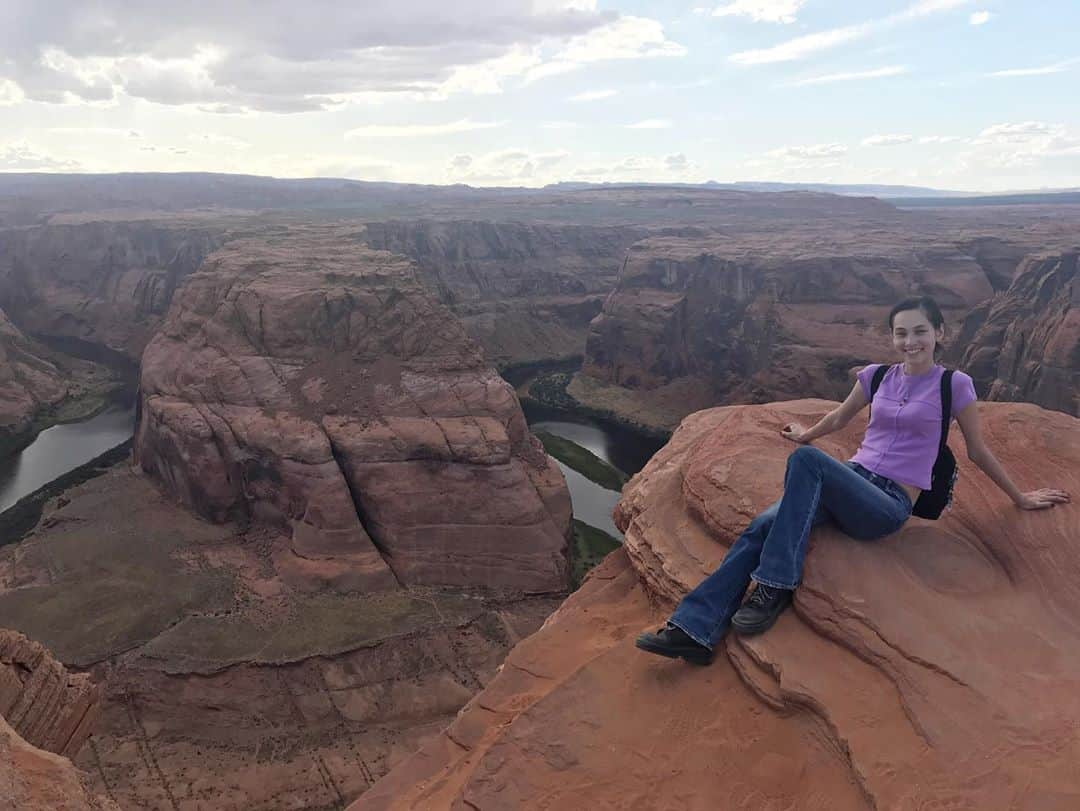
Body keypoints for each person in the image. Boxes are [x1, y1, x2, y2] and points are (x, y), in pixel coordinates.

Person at [635, 296, 1071, 666]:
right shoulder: (877, 376)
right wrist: (802, 433)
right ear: (892, 338)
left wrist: (1020, 497)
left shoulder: (954, 385)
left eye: (920, 331)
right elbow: (840, 416)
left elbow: (977, 450)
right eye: (901, 333)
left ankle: (775, 586)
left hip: (886, 503)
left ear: (940, 331)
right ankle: (694, 631)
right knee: (762, 526)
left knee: (807, 464)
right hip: (850, 480)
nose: (910, 342)